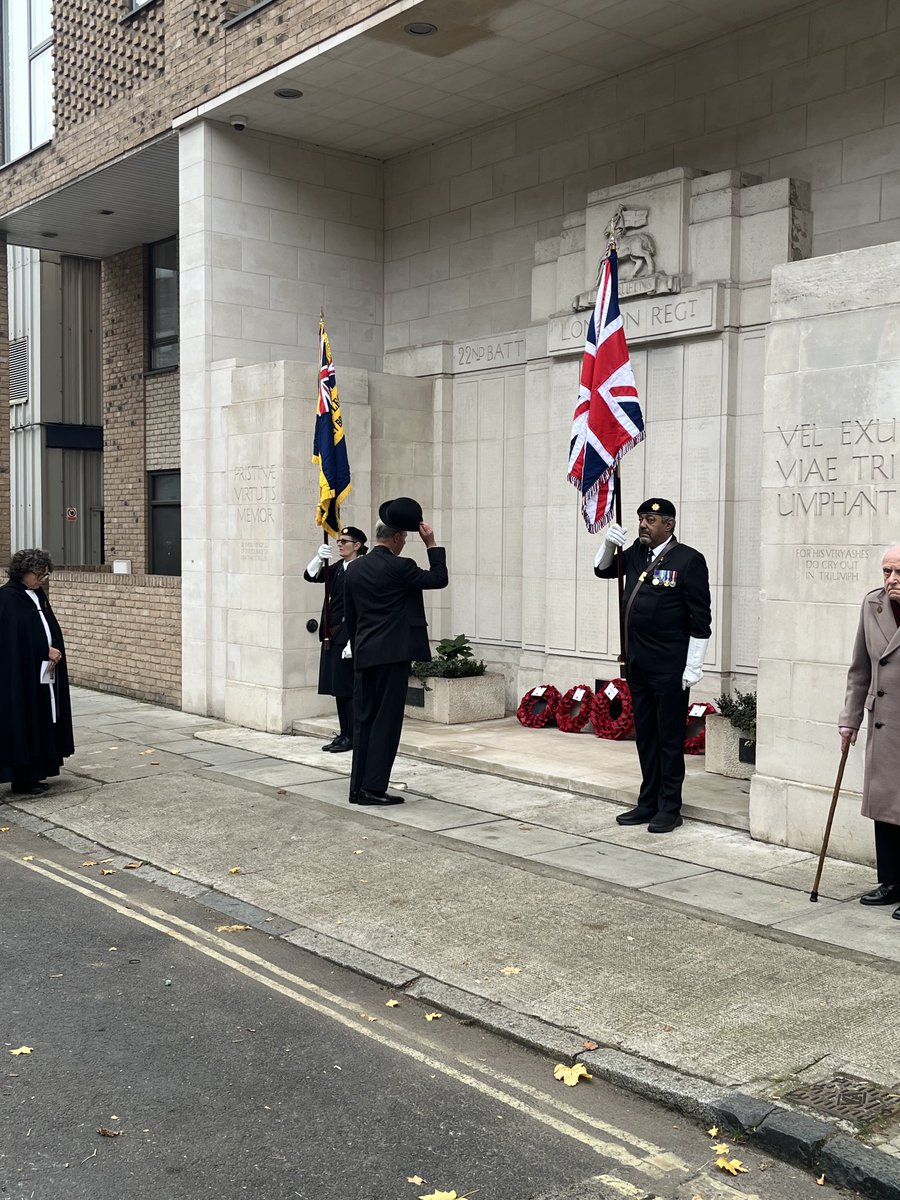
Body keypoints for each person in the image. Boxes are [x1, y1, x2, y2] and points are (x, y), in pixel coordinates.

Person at [594, 498, 711, 833]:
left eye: (650, 519)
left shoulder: (688, 560)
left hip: (671, 667)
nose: (643, 525)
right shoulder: (634, 554)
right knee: (645, 735)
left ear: (668, 525)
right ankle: (648, 801)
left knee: (669, 738)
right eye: (642, 519)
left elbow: (701, 618)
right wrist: (607, 544)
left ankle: (670, 807)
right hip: (639, 664)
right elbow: (602, 570)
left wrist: (694, 666)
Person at [343, 497, 448, 807]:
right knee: (386, 723)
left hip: (365, 653)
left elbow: (351, 617)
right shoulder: (401, 567)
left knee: (364, 721)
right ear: (398, 538)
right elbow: (438, 579)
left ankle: (358, 787)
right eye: (404, 538)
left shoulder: (354, 569)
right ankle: (373, 789)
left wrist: (360, 645)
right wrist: (431, 544)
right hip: (393, 656)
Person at [839, 544, 900, 917]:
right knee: (885, 805)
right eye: (887, 572)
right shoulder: (872, 604)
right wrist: (849, 719)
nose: (892, 580)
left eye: (899, 573)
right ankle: (891, 880)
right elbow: (860, 668)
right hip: (884, 721)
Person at [0, 549, 74, 795]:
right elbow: (14, 640)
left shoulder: (37, 595)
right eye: (39, 574)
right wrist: (44, 649)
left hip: (43, 673)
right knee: (25, 719)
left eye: (45, 574)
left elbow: (44, 626)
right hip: (22, 675)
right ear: (23, 572)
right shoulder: (9, 598)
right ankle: (22, 779)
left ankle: (36, 772)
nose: (42, 579)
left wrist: (53, 649)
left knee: (42, 718)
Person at [304, 526, 367, 753]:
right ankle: (344, 734)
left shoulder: (361, 568)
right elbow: (310, 576)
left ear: (357, 546)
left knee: (348, 690)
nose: (339, 544)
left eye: (345, 541)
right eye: (338, 541)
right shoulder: (339, 567)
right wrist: (318, 558)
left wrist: (353, 639)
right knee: (339, 690)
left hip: (347, 636)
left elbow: (362, 607)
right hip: (332, 635)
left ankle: (352, 736)